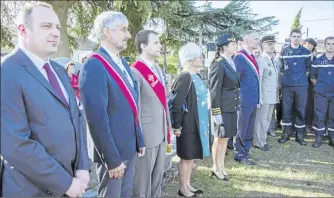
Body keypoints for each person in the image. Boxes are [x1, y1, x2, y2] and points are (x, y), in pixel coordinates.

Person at [1, 2, 90, 197]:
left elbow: (77, 119)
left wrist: (83, 167)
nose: (56, 32)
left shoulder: (59, 71)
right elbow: (15, 144)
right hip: (31, 190)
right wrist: (65, 183)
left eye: (57, 27)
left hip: (71, 183)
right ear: (23, 30)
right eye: (46, 26)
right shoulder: (7, 72)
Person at [79, 11, 145, 197]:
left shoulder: (122, 63)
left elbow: (132, 105)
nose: (129, 35)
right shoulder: (94, 65)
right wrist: (111, 159)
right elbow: (96, 118)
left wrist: (139, 139)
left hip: (129, 147)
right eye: (123, 29)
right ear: (107, 32)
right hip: (113, 152)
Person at [131, 30, 171, 197]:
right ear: (143, 46)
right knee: (142, 183)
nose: (159, 46)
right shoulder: (135, 70)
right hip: (146, 136)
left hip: (161, 132)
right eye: (155, 42)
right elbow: (135, 108)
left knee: (157, 180)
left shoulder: (157, 69)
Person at [171, 42, 210, 197]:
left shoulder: (196, 75)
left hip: (198, 123)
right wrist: (177, 126)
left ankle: (187, 184)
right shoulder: (185, 76)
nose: (201, 58)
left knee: (191, 156)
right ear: (190, 59)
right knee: (186, 158)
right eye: (199, 56)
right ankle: (182, 188)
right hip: (187, 124)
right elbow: (177, 103)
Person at [209, 34, 240, 181]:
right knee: (219, 139)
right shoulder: (218, 63)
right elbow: (214, 89)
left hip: (231, 106)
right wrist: (216, 112)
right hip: (222, 107)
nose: (235, 46)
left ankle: (221, 165)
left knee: (225, 138)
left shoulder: (230, 61)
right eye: (233, 44)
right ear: (225, 47)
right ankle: (215, 167)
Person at [278, 29, 312, 145]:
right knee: (286, 109)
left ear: (301, 38)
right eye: (294, 36)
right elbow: (281, 68)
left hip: (301, 86)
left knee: (300, 109)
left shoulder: (306, 52)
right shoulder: (284, 51)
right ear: (290, 37)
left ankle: (299, 134)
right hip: (287, 85)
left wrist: (300, 79)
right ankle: (286, 132)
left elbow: (308, 68)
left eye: (298, 36)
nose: (296, 38)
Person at [233, 30, 261, 165]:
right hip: (244, 99)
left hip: (252, 98)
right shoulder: (240, 57)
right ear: (248, 41)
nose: (258, 41)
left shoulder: (251, 56)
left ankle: (246, 151)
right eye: (256, 39)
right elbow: (235, 80)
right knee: (242, 127)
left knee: (249, 127)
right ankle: (239, 153)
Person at [253, 36, 279, 151]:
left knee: (268, 119)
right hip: (264, 95)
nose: (271, 46)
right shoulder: (261, 59)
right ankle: (258, 142)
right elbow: (258, 79)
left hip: (272, 95)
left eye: (272, 43)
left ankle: (263, 140)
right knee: (261, 120)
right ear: (262, 45)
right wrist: (259, 96)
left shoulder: (272, 59)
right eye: (268, 44)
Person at [310, 36, 334, 148]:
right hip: (321, 94)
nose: (331, 46)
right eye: (328, 44)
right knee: (320, 115)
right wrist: (321, 86)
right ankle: (319, 136)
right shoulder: (318, 61)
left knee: (332, 115)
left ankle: (331, 136)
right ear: (324, 45)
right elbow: (313, 77)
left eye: (333, 44)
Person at [303, 38, 318, 133]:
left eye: (312, 45)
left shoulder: (315, 58)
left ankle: (308, 125)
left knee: (309, 105)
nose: (310, 46)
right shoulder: (300, 55)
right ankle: (298, 126)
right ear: (304, 44)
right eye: (308, 43)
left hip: (310, 85)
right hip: (299, 84)